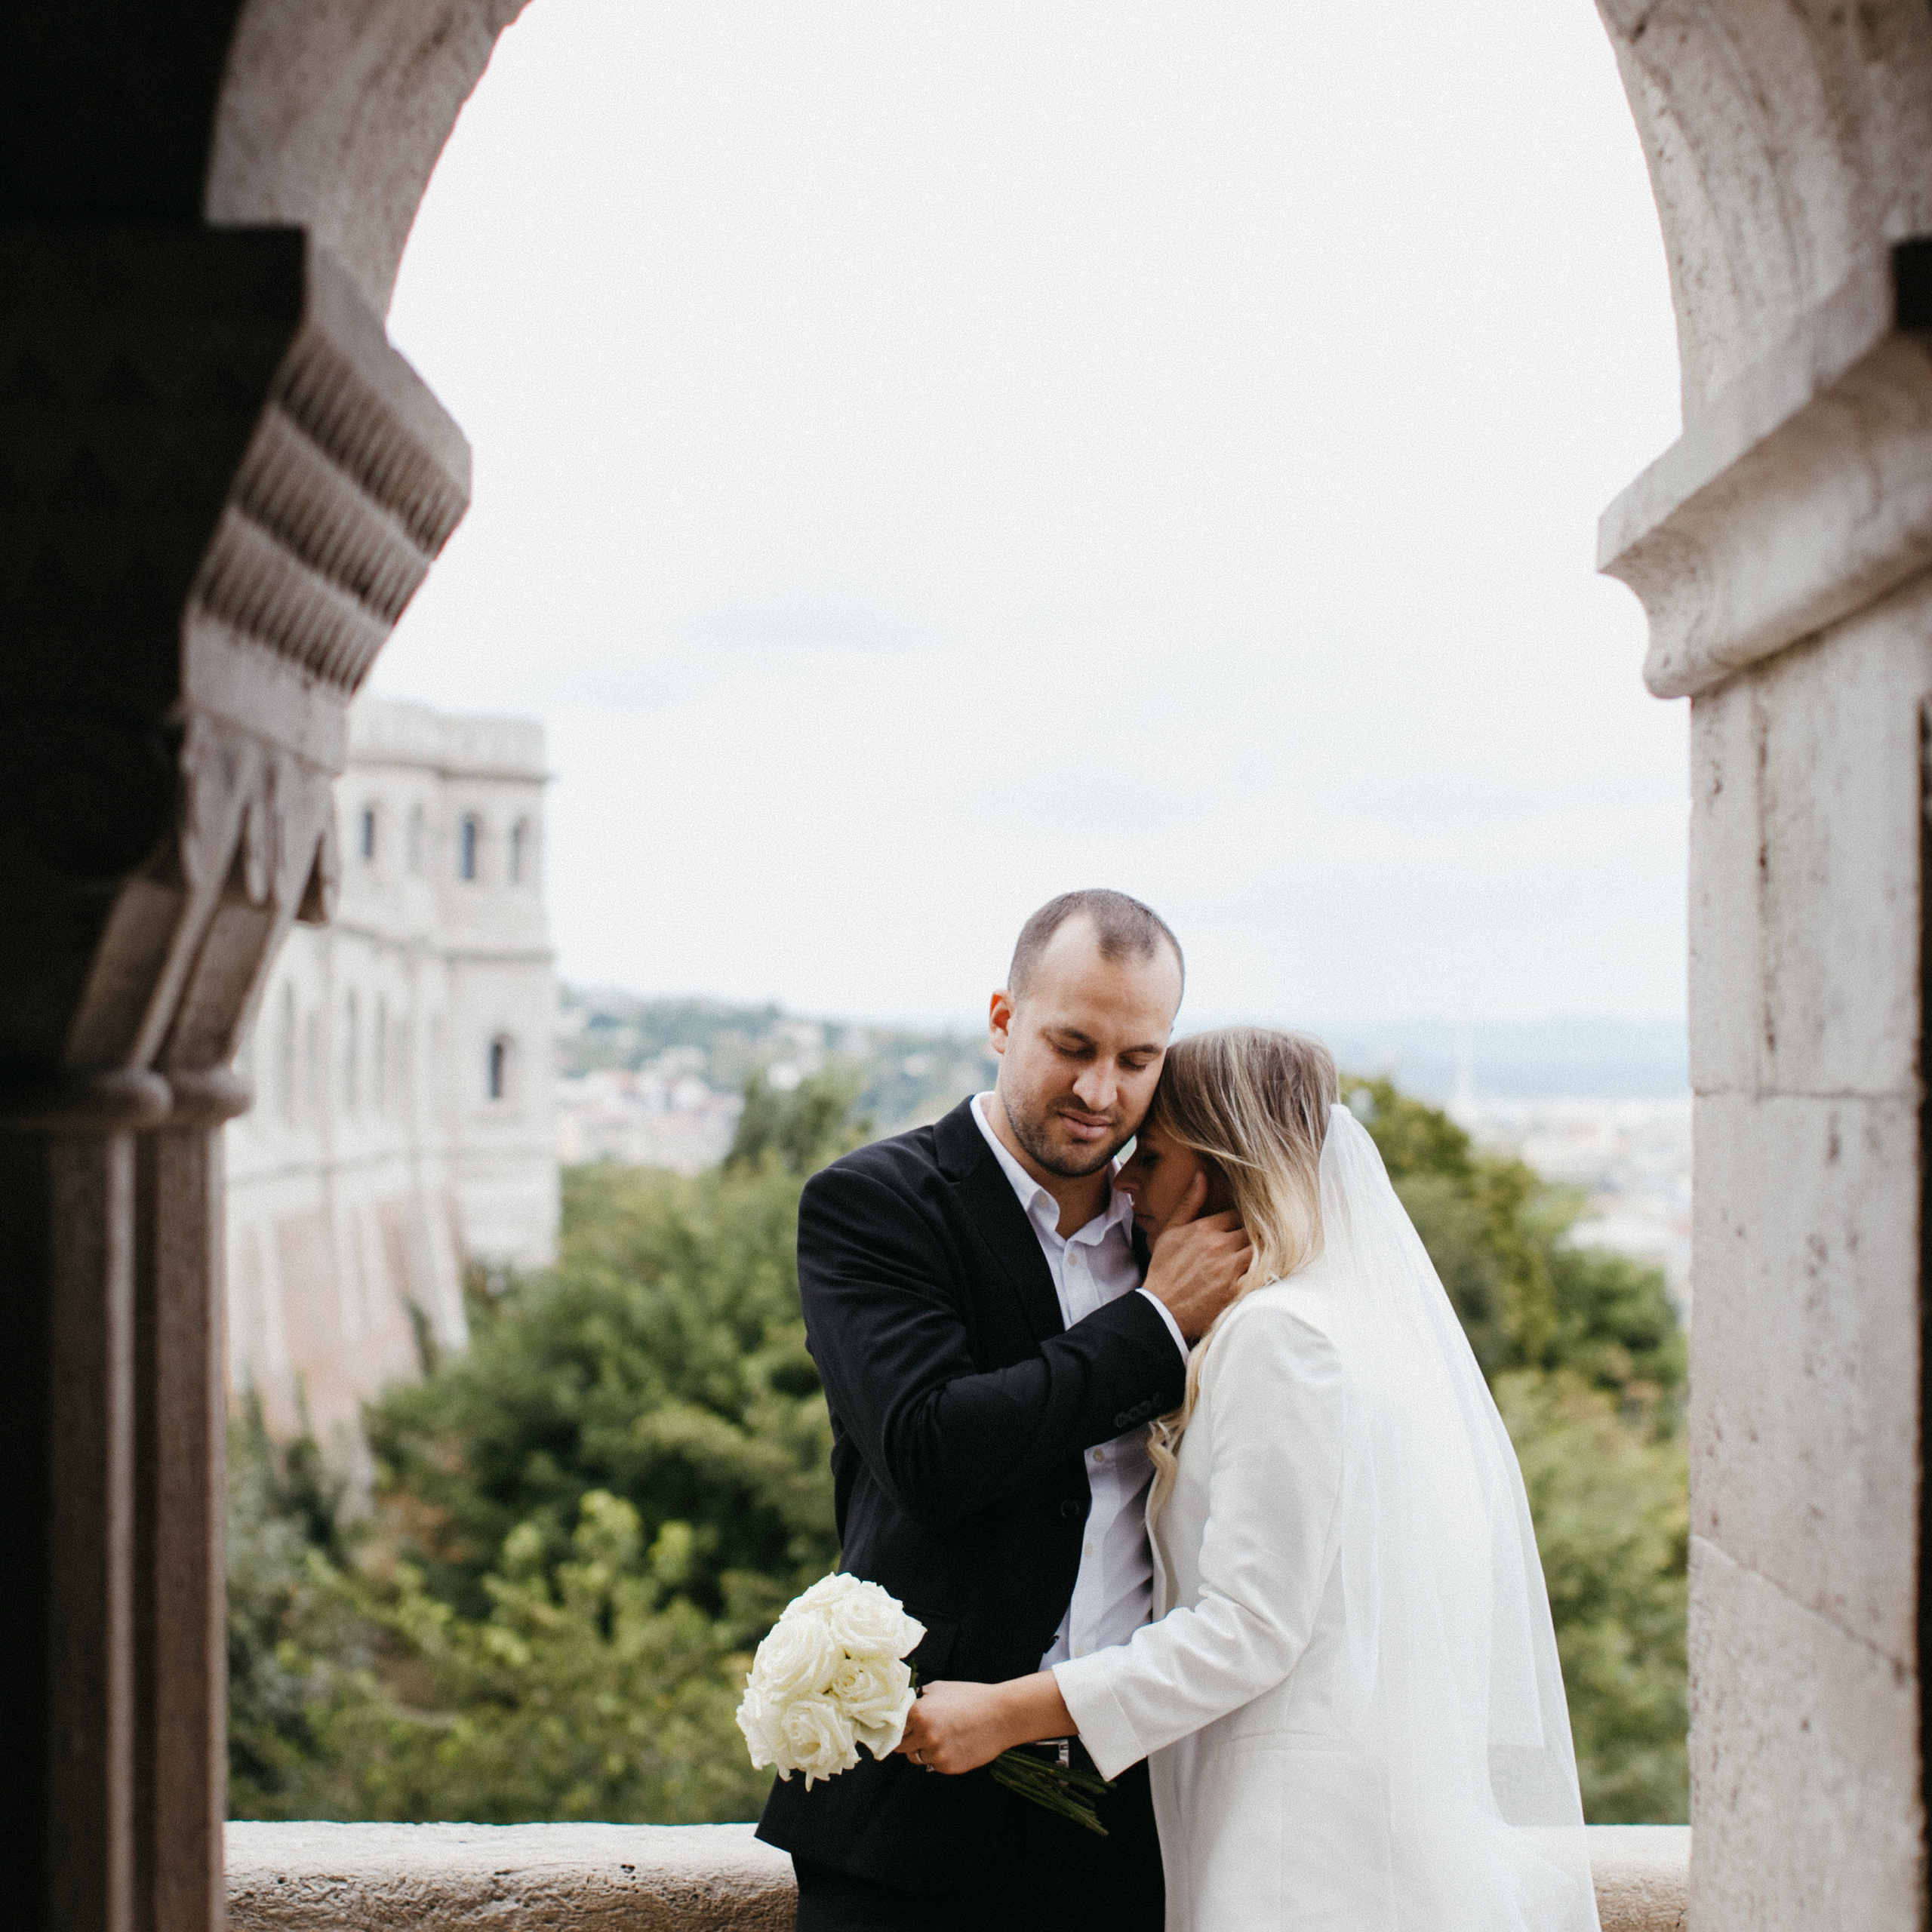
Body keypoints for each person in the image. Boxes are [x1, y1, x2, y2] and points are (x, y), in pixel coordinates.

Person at [896, 1026, 1602, 1932]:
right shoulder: (1336, 1328)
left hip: (1298, 1849)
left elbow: (1249, 1628)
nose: (1124, 1182)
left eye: (1152, 1156)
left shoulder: (1281, 1339)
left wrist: (1006, 1713)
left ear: (1220, 1168)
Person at [755, 890, 1255, 1930]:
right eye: (1072, 1046)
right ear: (1002, 1019)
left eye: (1137, 1059)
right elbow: (931, 1448)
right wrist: (1154, 1325)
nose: (1100, 1091)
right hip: (911, 1821)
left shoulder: (1178, 1229)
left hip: (1132, 1819)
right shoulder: (876, 1203)